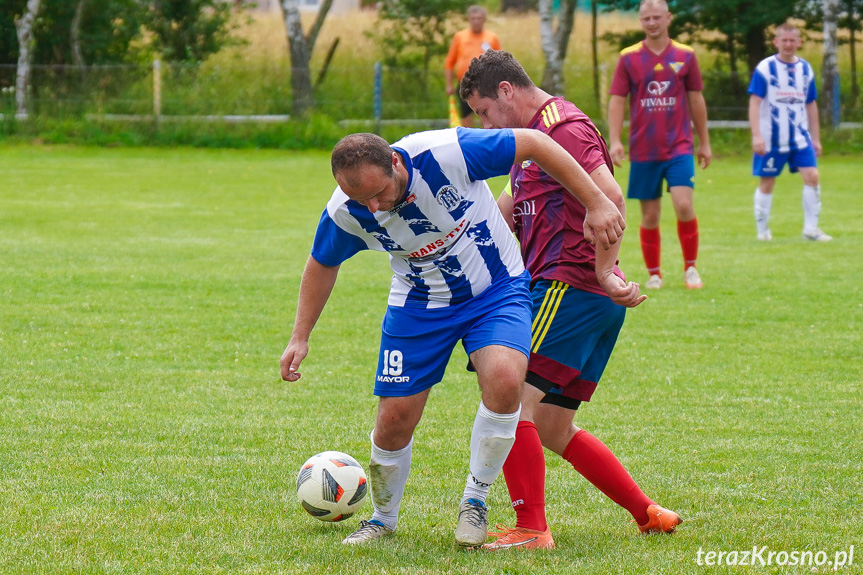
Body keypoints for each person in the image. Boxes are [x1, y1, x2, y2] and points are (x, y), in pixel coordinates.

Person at [280, 127, 627, 547]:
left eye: (379, 192)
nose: (373, 206)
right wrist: (300, 336)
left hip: (496, 290)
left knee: (504, 379)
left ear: (394, 161)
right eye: (361, 200)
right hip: (419, 304)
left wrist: (596, 202)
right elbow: (322, 262)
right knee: (393, 421)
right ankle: (382, 519)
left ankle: (475, 501)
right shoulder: (346, 212)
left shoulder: (448, 153)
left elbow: (535, 143)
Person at [460, 49, 681, 551]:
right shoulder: (533, 142)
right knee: (554, 425)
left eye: (484, 111)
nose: (485, 123)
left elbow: (609, 197)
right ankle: (647, 512)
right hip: (580, 295)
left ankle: (532, 529)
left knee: (509, 400)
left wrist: (605, 270)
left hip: (570, 287)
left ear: (506, 92)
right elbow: (512, 207)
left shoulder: (562, 128)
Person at [608, 0, 711, 290]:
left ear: (668, 18)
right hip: (643, 148)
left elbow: (696, 99)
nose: (652, 23)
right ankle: (654, 273)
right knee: (650, 214)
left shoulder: (685, 55)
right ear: (641, 21)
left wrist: (704, 142)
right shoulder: (628, 58)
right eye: (646, 18)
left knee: (683, 204)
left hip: (679, 146)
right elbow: (617, 100)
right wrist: (615, 140)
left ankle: (691, 269)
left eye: (657, 17)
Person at [749, 22, 831, 242]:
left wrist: (816, 138)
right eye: (783, 40)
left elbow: (810, 104)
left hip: (799, 138)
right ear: (776, 42)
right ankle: (763, 232)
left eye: (791, 40)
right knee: (767, 182)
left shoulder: (805, 69)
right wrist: (756, 135)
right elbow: (755, 102)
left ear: (799, 42)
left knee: (812, 176)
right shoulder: (765, 69)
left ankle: (811, 230)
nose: (787, 44)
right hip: (771, 139)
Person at [444, 5, 501, 128]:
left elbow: (500, 63)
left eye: (478, 18)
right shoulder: (460, 37)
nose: (476, 21)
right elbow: (449, 62)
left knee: (487, 115)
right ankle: (469, 143)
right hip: (465, 82)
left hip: (486, 83)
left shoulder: (492, 38)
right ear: (468, 20)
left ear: (484, 20)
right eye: (473, 18)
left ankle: (487, 142)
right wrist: (449, 84)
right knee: (466, 116)